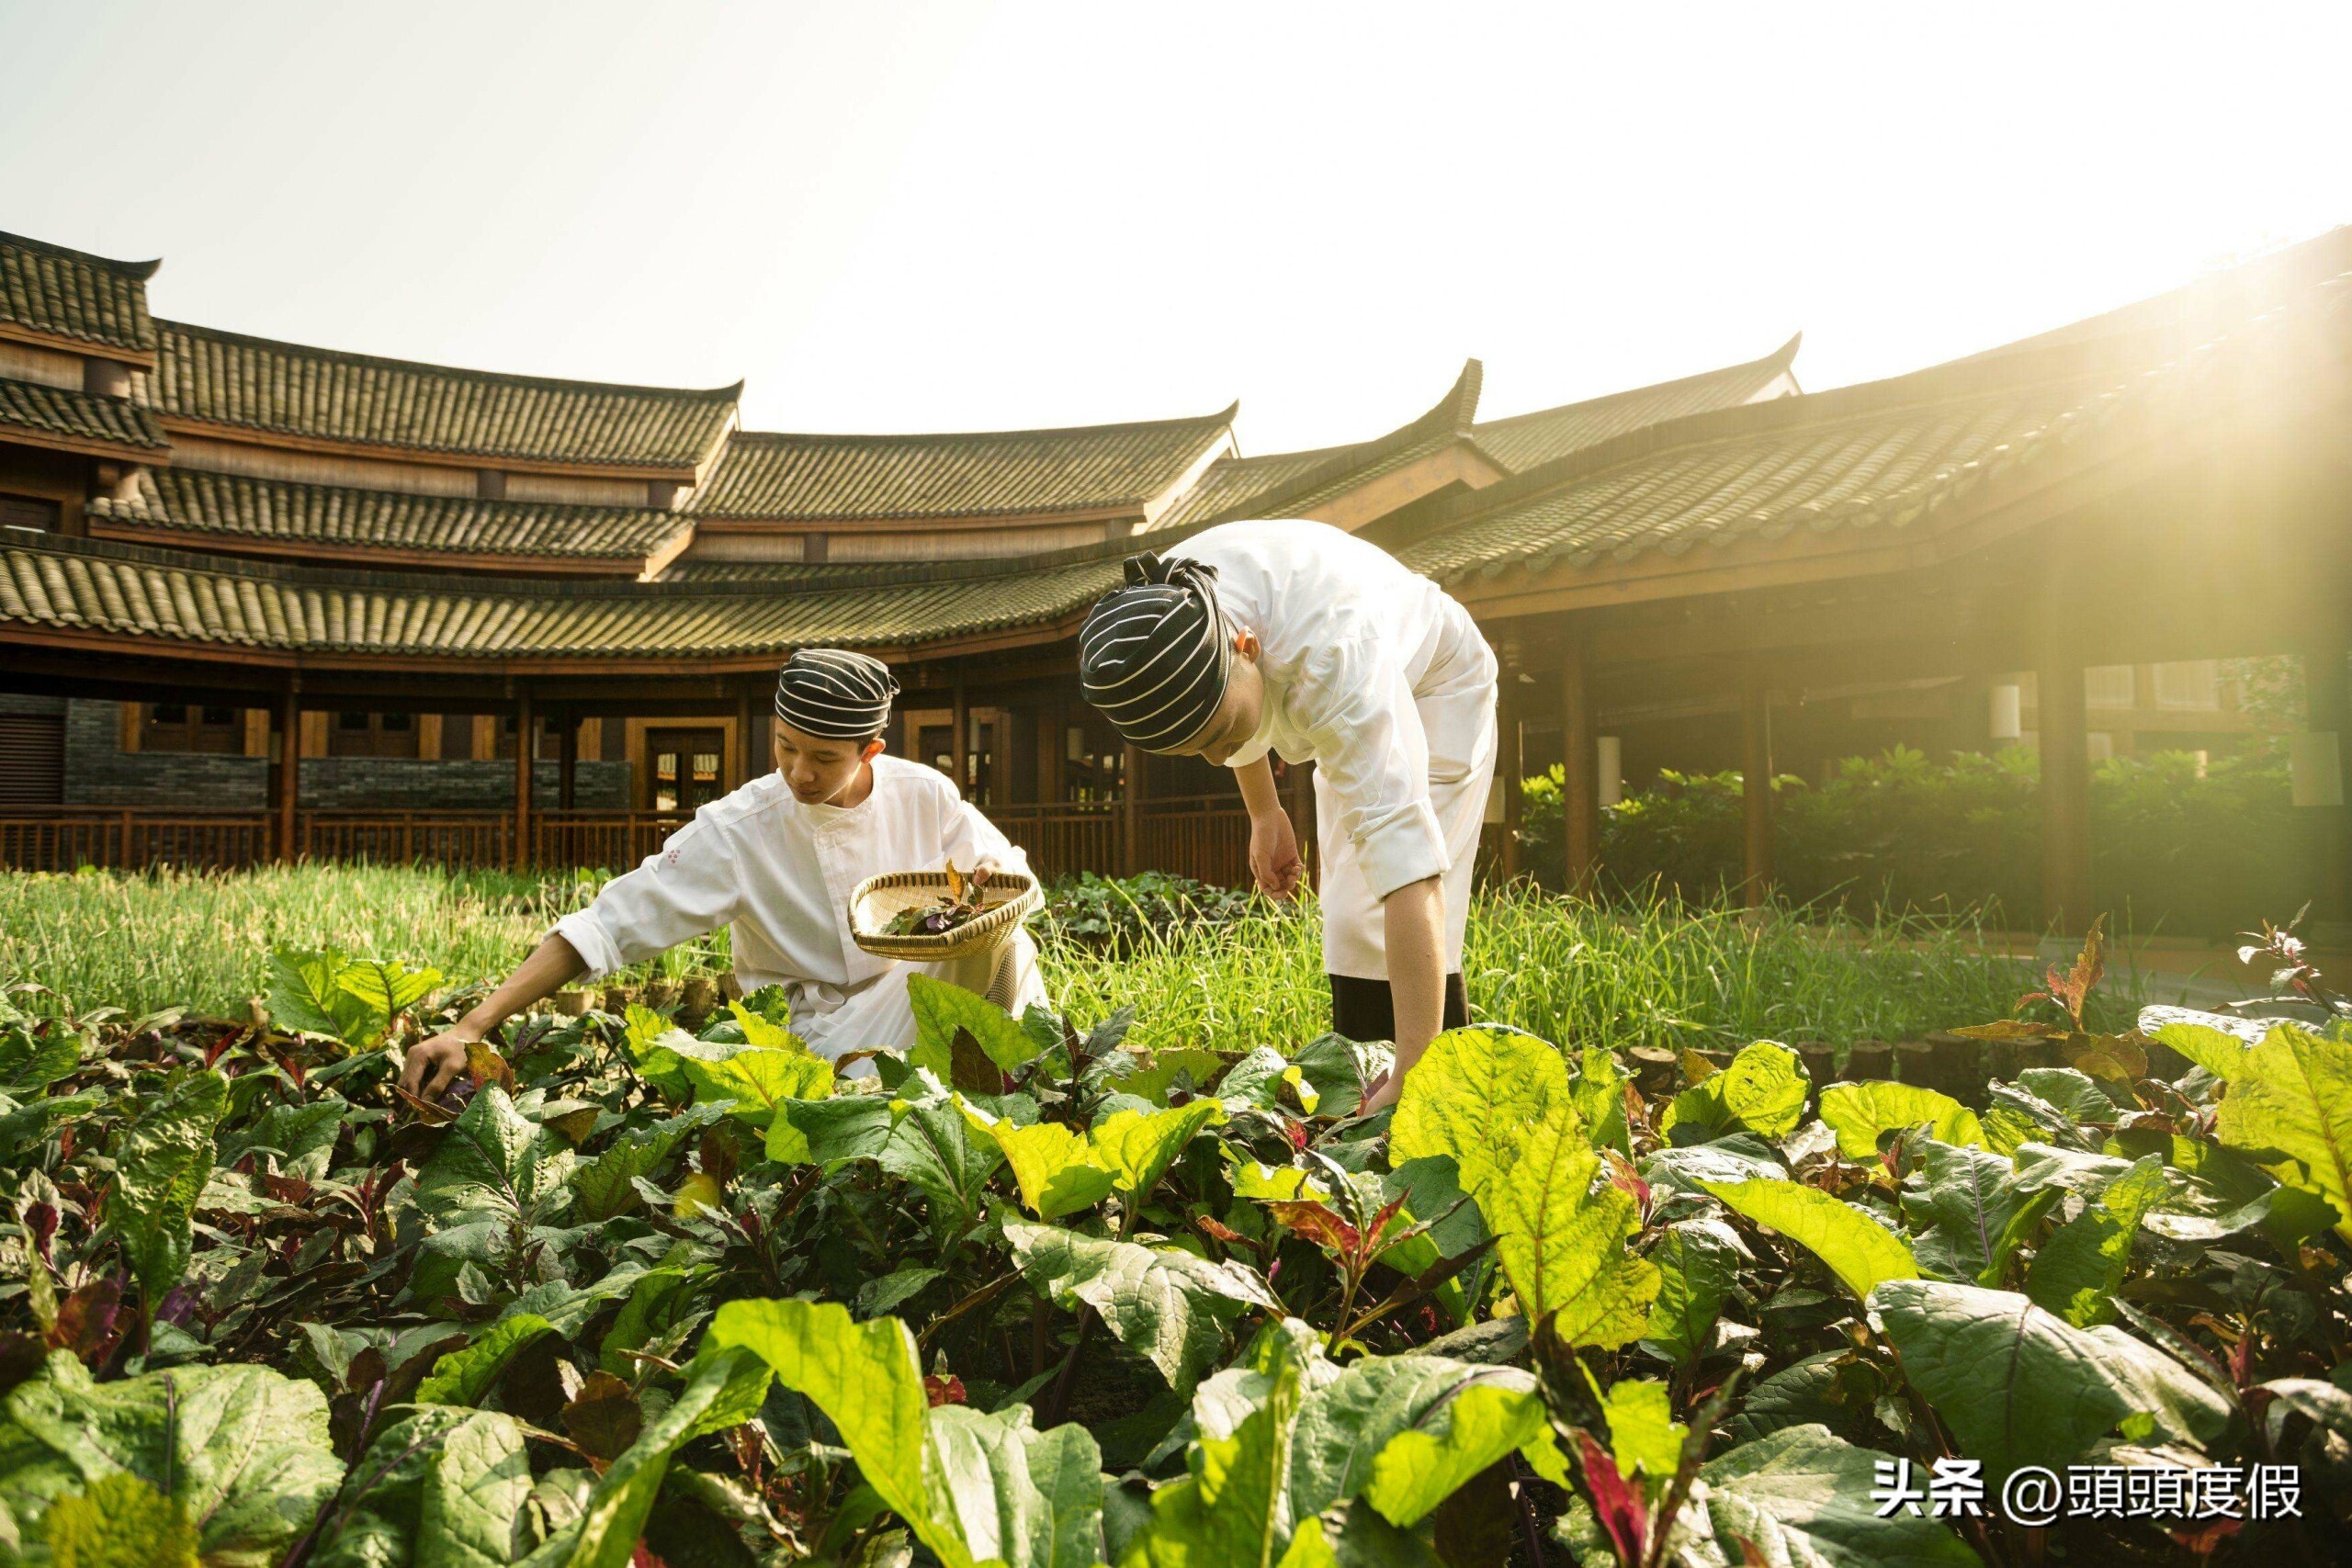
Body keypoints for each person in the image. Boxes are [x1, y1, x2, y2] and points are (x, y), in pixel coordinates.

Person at [401, 649, 1046, 1098]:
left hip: (911, 996)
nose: (799, 773)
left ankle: (1006, 1098)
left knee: (1006, 940)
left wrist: (988, 872)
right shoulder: (740, 827)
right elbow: (607, 925)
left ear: (870, 749)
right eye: (786, 747)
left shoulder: (923, 792)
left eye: (823, 758)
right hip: (815, 1033)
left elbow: (1005, 873)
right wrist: (471, 1026)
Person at [1078, 519, 1497, 1112]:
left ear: (1246, 647)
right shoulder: (1156, 616)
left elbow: (1410, 866)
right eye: (1195, 750)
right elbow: (1227, 720)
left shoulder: (1332, 657)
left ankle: (1429, 1089)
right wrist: (1264, 811)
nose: (1218, 756)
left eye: (1220, 734)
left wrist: (1414, 1070)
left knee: (1391, 895)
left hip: (1436, 678)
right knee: (1349, 918)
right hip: (1315, 673)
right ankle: (1362, 1086)